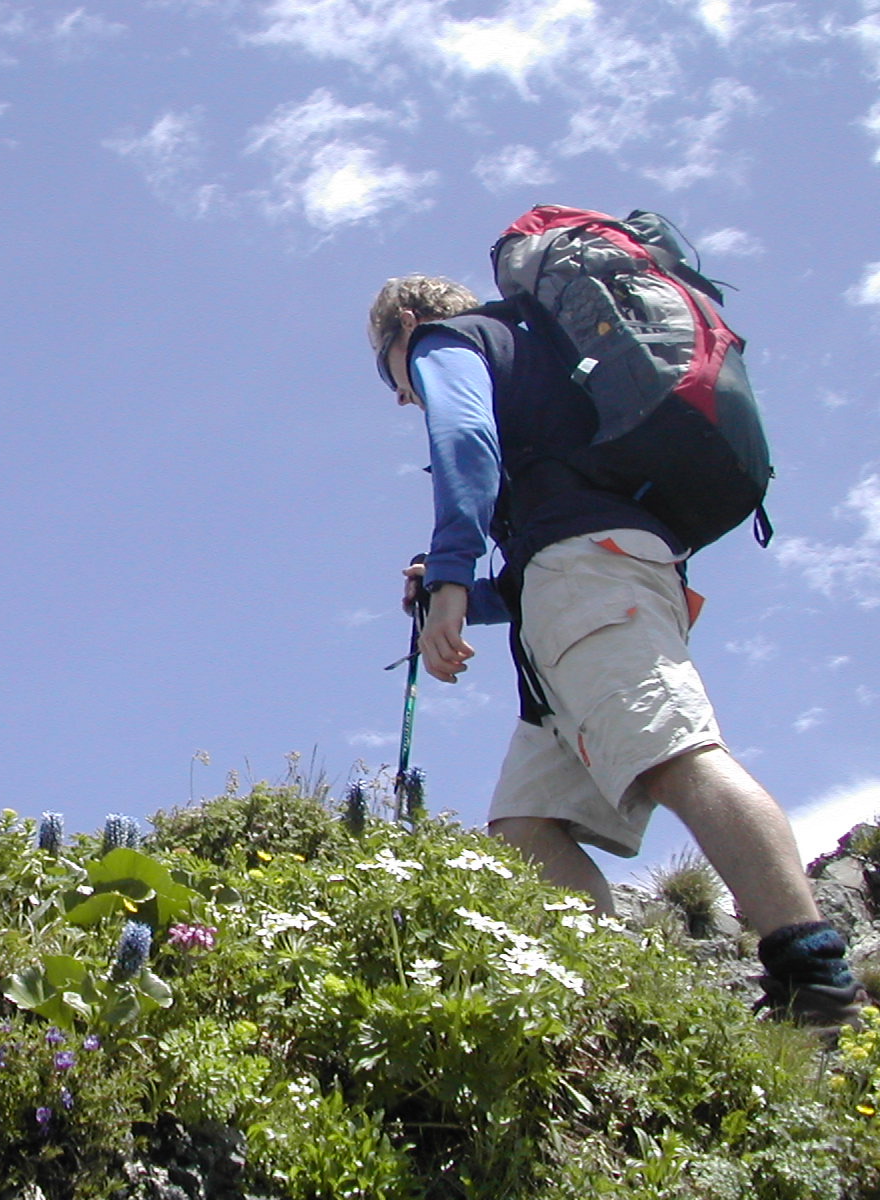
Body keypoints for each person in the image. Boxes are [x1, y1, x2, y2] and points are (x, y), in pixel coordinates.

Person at [368, 273, 866, 1030]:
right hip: (587, 583)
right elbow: (547, 544)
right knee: (526, 826)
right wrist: (469, 588)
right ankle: (621, 1005)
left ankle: (818, 979)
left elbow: (464, 439)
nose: (403, 396)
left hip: (591, 575)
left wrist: (449, 577)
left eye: (389, 374)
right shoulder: (538, 360)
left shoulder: (451, 339)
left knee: (676, 755)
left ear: (404, 322)